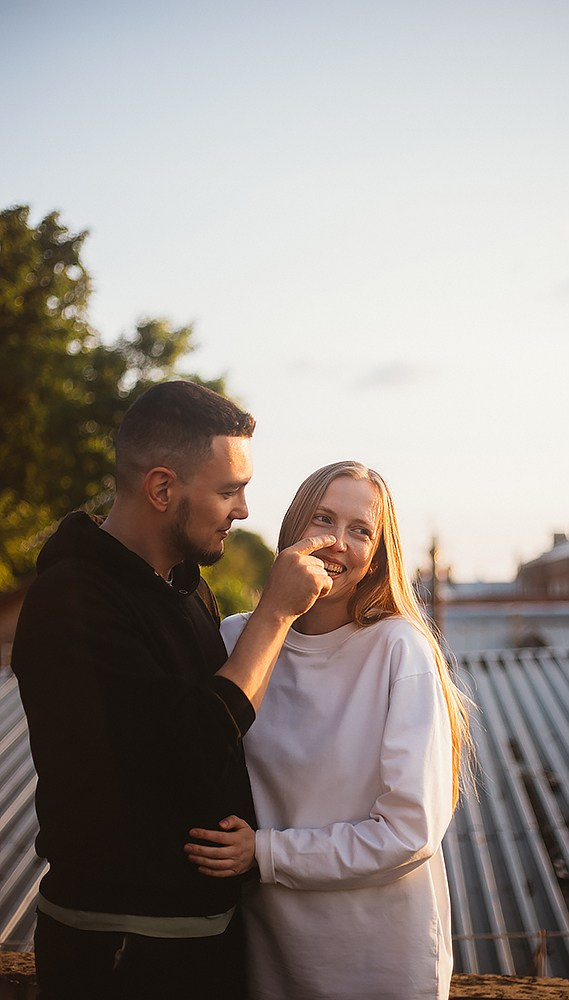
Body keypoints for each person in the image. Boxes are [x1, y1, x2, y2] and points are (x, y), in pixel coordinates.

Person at [12, 380, 336, 1000]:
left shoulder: (185, 587)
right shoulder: (74, 598)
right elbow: (190, 742)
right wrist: (273, 616)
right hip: (121, 945)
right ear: (162, 488)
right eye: (228, 490)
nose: (243, 510)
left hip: (200, 934)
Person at [185, 460, 472, 1000]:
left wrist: (266, 853)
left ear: (378, 552)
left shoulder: (398, 649)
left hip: (380, 959)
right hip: (270, 954)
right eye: (323, 519)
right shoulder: (236, 638)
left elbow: (410, 831)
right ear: (293, 527)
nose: (339, 542)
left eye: (361, 530)